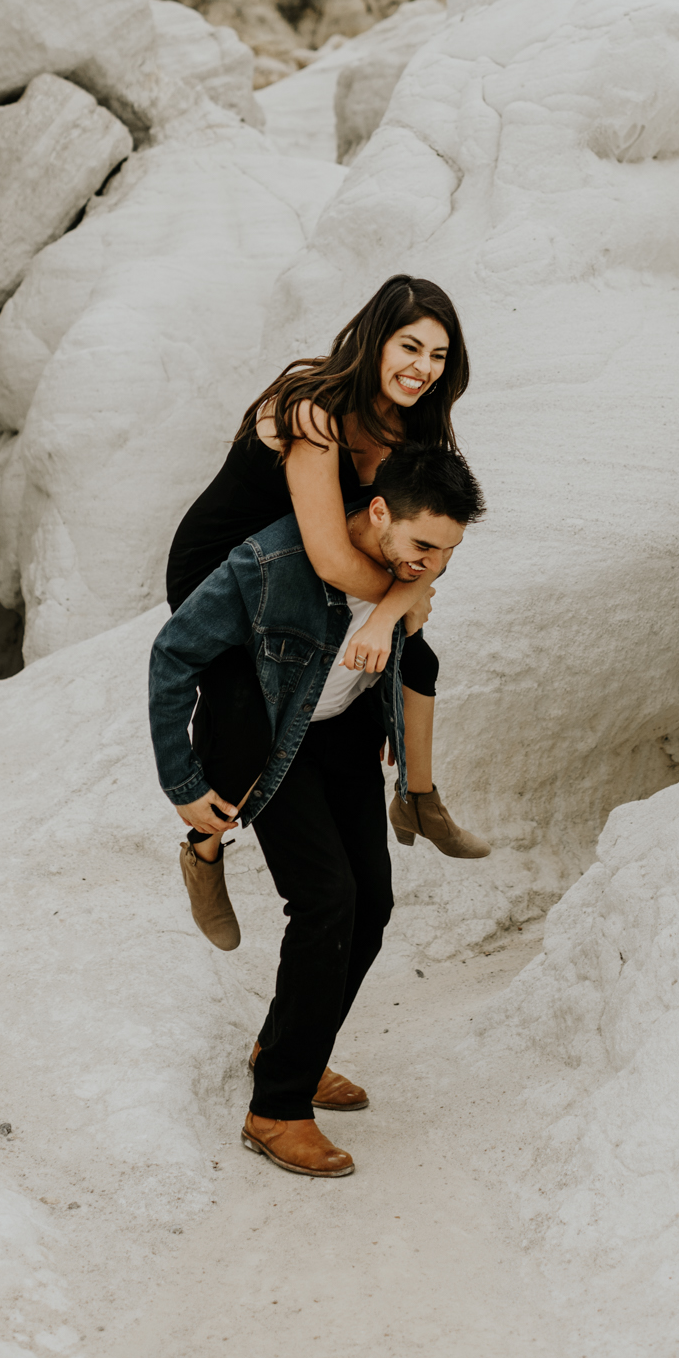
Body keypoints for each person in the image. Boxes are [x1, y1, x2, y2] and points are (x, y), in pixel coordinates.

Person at [149, 445, 487, 1177]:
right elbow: (173, 655)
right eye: (423, 545)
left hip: (340, 735)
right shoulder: (269, 563)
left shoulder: (406, 570)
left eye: (448, 551)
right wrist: (179, 780)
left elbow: (402, 647)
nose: (432, 564)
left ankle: (287, 1046)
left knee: (373, 904)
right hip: (267, 740)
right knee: (326, 899)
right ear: (375, 513)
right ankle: (276, 1107)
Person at [164, 274, 490, 950]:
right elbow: (329, 557)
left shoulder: (416, 429)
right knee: (245, 710)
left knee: (414, 654)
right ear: (374, 339)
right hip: (224, 573)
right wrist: (396, 599)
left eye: (437, 356)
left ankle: (419, 798)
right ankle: (203, 849)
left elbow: (433, 546)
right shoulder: (312, 409)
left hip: (310, 579)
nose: (421, 369)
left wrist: (390, 612)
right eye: (409, 346)